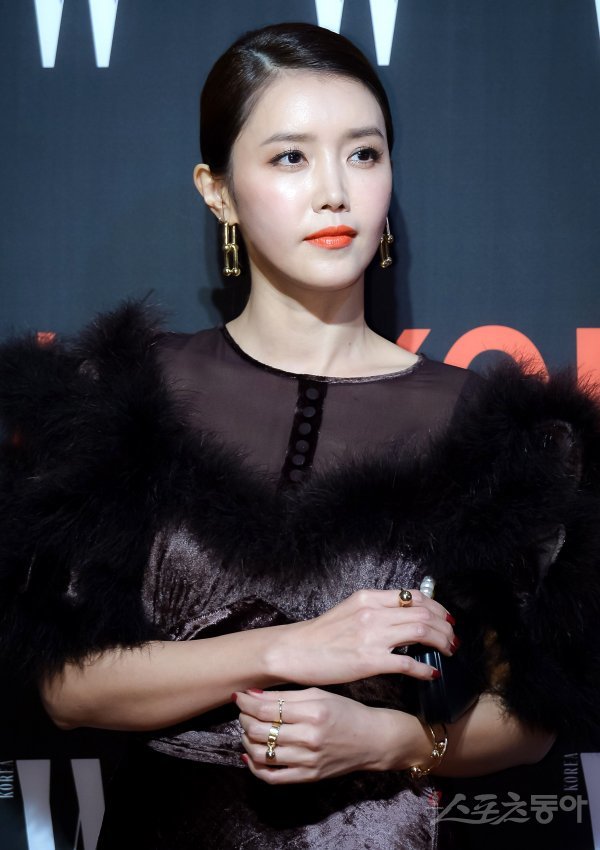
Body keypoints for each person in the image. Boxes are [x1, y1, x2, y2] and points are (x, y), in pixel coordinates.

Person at [0, 22, 598, 850]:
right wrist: (291, 648)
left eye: (364, 154)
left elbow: (531, 717)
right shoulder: (127, 394)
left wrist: (393, 741)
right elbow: (68, 689)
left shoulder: (489, 426)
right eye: (290, 157)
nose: (334, 192)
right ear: (217, 191)